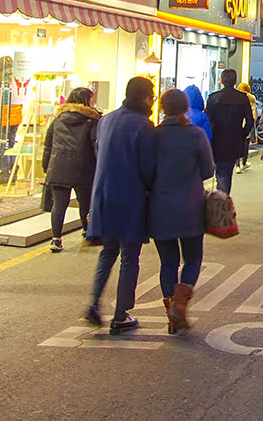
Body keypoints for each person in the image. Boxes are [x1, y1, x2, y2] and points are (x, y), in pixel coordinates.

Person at [84, 76, 157, 335]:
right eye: (151, 95)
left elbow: (97, 153)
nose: (152, 100)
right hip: (131, 197)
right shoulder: (144, 126)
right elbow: (148, 167)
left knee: (108, 251)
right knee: (129, 256)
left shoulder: (107, 120)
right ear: (144, 97)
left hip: (103, 194)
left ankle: (93, 303)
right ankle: (120, 314)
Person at [149, 89, 214, 334]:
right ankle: (180, 305)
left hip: (159, 207)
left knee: (168, 262)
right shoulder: (196, 135)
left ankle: (171, 313)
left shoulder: (153, 136)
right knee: (193, 258)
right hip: (190, 207)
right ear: (186, 107)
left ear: (163, 107)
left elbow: (146, 171)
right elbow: (208, 171)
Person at [42, 87, 100, 253]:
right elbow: (95, 146)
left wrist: (47, 167)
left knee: (59, 205)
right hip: (83, 167)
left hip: (58, 166)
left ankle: (56, 238)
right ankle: (87, 231)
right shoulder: (91, 121)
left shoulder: (58, 120)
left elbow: (48, 146)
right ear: (86, 101)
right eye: (91, 99)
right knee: (85, 202)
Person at [205, 69, 254, 195]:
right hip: (235, 140)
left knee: (221, 172)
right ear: (235, 81)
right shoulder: (243, 98)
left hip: (216, 141)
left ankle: (221, 201)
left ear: (221, 81)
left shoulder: (213, 98)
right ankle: (223, 201)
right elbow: (250, 120)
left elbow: (207, 121)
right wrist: (242, 134)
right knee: (227, 172)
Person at [0, 56, 23, 185]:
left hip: (2, 118)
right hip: (15, 118)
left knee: (3, 146)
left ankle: (5, 175)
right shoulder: (17, 80)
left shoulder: (1, 83)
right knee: (11, 146)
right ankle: (13, 174)